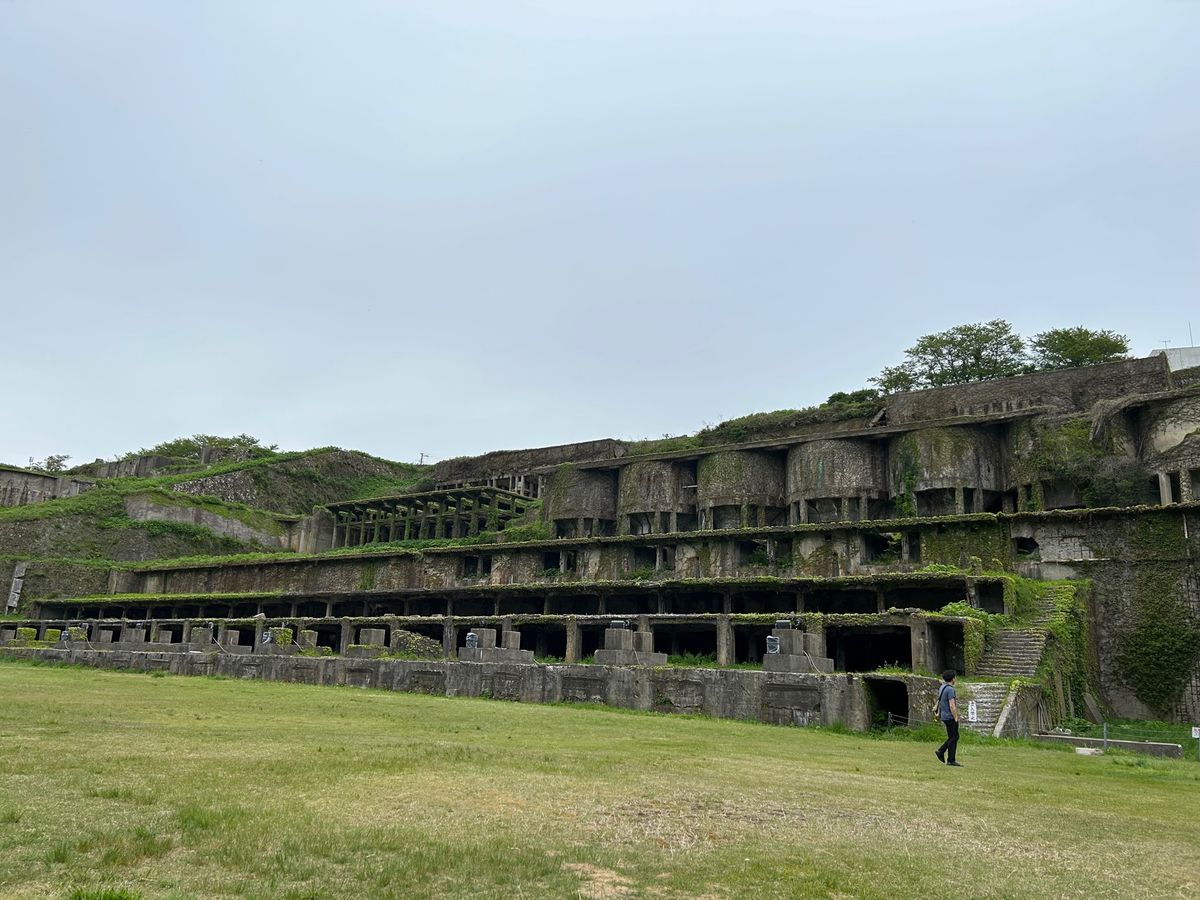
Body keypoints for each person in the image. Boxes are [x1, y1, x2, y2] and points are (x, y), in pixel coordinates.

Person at [935, 670, 962, 767]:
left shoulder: (942, 687)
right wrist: (956, 717)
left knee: (954, 737)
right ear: (953, 678)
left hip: (944, 715)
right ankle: (945, 755)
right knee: (953, 737)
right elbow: (952, 705)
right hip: (950, 717)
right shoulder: (950, 689)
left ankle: (947, 756)